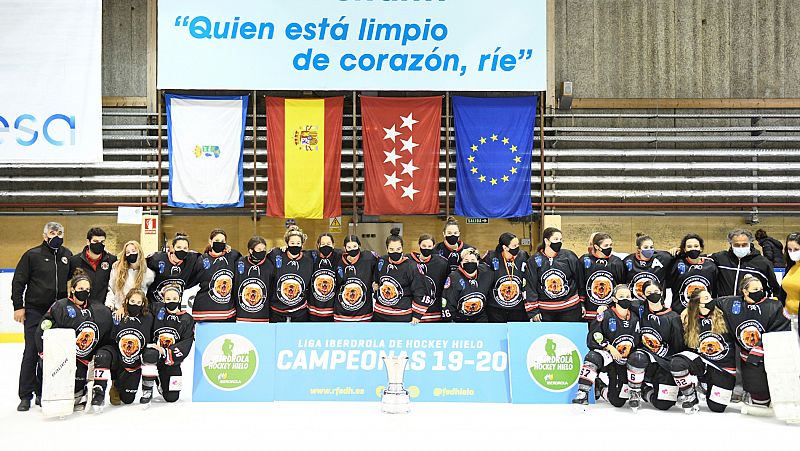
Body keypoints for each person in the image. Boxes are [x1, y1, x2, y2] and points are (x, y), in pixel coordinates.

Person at [12, 222, 73, 411]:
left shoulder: (67, 255)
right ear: (45, 235)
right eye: (53, 232)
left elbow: (74, 278)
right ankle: (25, 395)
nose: (56, 235)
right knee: (32, 351)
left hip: (57, 312)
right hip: (35, 311)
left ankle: (42, 392)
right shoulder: (32, 255)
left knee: (51, 354)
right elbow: (18, 282)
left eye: (60, 232)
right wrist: (18, 307)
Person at [36, 269, 113, 412]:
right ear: (72, 289)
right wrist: (43, 352)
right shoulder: (60, 306)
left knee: (75, 391)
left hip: (81, 359)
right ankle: (41, 393)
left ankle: (81, 392)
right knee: (42, 364)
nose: (84, 291)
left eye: (87, 289)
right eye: (80, 288)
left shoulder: (97, 309)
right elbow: (42, 329)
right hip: (61, 356)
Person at [719, 274, 791, 412]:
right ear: (745, 291)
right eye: (755, 288)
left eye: (761, 288)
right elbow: (711, 304)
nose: (760, 291)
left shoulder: (774, 305)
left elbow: (780, 330)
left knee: (764, 395)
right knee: (758, 397)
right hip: (744, 355)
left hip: (767, 355)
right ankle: (746, 392)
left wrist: (761, 348)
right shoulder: (732, 303)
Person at [670, 288, 737, 414]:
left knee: (717, 407)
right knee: (677, 363)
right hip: (702, 362)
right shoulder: (688, 319)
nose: (711, 301)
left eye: (710, 297)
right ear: (697, 304)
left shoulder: (725, 313)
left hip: (723, 368)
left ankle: (707, 387)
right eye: (706, 299)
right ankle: (690, 395)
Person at [572, 285, 640, 407]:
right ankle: (583, 392)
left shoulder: (635, 317)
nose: (625, 299)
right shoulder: (605, 315)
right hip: (608, 356)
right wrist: (609, 347)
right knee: (592, 356)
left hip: (624, 360)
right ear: (614, 299)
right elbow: (594, 336)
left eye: (628, 296)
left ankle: (601, 387)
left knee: (617, 401)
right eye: (621, 296)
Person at [625, 280, 684, 412]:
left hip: (664, 363)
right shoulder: (638, 307)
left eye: (656, 292)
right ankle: (634, 392)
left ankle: (646, 391)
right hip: (645, 360)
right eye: (649, 292)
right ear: (644, 295)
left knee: (664, 404)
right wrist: (604, 307)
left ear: (661, 292)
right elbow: (620, 302)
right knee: (637, 357)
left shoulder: (673, 317)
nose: (653, 294)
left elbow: (678, 348)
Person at [142, 285, 195, 403]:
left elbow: (186, 343)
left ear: (180, 299)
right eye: (168, 298)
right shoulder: (156, 309)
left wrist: (164, 351)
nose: (171, 301)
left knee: (172, 398)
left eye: (174, 298)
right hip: (155, 355)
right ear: (163, 299)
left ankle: (159, 379)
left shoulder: (186, 319)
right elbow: (139, 309)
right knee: (150, 354)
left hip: (171, 360)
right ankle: (147, 389)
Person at [103, 289, 153, 407]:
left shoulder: (148, 318)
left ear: (143, 304)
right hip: (120, 360)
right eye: (132, 301)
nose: (135, 304)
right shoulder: (118, 316)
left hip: (135, 362)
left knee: (128, 400)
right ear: (126, 301)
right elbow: (111, 340)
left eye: (138, 302)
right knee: (107, 354)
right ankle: (115, 384)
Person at [527, 227, 581, 322]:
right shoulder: (534, 260)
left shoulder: (569, 256)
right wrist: (533, 310)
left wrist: (583, 303)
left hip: (570, 309)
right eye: (556, 239)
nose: (559, 242)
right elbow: (530, 285)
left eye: (560, 239)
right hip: (545, 310)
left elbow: (580, 280)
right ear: (546, 241)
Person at [187, 229, 242, 322]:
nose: (219, 243)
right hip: (204, 312)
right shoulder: (201, 260)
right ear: (210, 241)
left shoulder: (233, 256)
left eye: (222, 241)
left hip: (226, 313)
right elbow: (189, 279)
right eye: (216, 241)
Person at [374, 228, 427, 322]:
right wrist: (375, 284)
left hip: (402, 316)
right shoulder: (381, 261)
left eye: (398, 249)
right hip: (380, 314)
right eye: (391, 249)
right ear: (387, 249)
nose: (395, 252)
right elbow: (377, 280)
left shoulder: (412, 266)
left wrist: (417, 315)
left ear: (402, 248)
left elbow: (420, 291)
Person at [709, 228, 781, 299]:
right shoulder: (720, 258)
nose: (740, 247)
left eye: (744, 245)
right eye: (737, 245)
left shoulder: (763, 263)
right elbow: (702, 259)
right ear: (731, 244)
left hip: (751, 308)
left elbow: (773, 288)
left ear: (750, 243)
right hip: (723, 306)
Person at [482, 232, 534, 322]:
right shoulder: (492, 257)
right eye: (514, 246)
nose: (517, 247)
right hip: (496, 308)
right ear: (505, 247)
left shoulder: (523, 256)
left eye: (518, 244)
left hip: (517, 307)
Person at [268, 225, 314, 322]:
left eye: (298, 243)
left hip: (299, 311)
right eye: (292, 243)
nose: (295, 245)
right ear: (287, 243)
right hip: (277, 310)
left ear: (302, 244)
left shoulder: (309, 259)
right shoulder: (276, 254)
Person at [578, 233, 626, 321]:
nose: (609, 248)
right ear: (596, 247)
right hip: (590, 311)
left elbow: (620, 285)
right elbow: (580, 283)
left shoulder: (617, 262)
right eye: (606, 245)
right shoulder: (584, 260)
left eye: (611, 245)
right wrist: (581, 304)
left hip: (610, 311)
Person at [667, 233, 717, 314]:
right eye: (689, 247)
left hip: (703, 313)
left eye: (696, 246)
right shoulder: (676, 264)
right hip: (680, 313)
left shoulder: (711, 266)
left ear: (701, 248)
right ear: (684, 249)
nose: (693, 249)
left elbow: (714, 291)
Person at [442, 248, 494, 323]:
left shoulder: (487, 273)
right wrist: (449, 320)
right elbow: (448, 300)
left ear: (478, 262)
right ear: (461, 262)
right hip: (460, 319)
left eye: (473, 260)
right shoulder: (454, 277)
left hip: (480, 317)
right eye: (466, 261)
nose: (470, 263)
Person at [68, 227, 117, 305]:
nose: (99, 244)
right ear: (88, 242)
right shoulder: (75, 260)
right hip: (81, 306)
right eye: (95, 241)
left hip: (102, 307)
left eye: (102, 242)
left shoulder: (112, 260)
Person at [334, 235, 378, 322]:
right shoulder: (338, 259)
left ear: (359, 246)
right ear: (344, 248)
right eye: (349, 247)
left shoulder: (369, 258)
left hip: (364, 313)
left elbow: (381, 267)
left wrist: (375, 282)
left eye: (354, 246)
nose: (352, 249)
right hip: (341, 312)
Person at [145, 233, 198, 305]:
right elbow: (140, 265)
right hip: (154, 305)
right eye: (179, 247)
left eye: (185, 248)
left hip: (175, 307)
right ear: (172, 248)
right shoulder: (156, 259)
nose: (182, 250)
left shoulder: (192, 259)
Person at [105, 240, 155, 315]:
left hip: (137, 311)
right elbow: (111, 289)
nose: (131, 254)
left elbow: (145, 295)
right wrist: (109, 306)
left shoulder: (148, 274)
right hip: (117, 310)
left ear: (139, 252)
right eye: (128, 252)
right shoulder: (117, 270)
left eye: (133, 251)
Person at [408, 234, 449, 323]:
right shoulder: (408, 261)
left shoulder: (442, 263)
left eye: (429, 246)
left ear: (434, 246)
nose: (426, 248)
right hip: (413, 312)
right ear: (419, 245)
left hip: (435, 312)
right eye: (424, 246)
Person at [233, 236, 275, 322]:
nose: (262, 252)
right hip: (242, 315)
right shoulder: (239, 263)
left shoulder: (269, 265)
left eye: (264, 249)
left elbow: (272, 288)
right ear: (251, 250)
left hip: (263, 316)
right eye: (259, 250)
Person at [623, 233, 673, 302]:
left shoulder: (663, 258)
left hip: (657, 303)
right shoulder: (628, 261)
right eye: (646, 247)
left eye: (651, 247)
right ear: (638, 249)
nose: (649, 250)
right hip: (635, 303)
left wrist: (677, 249)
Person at [308, 233, 340, 321]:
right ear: (318, 245)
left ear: (333, 245)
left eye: (329, 244)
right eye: (323, 244)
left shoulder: (339, 256)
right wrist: (283, 249)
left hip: (332, 310)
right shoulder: (311, 256)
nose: (326, 246)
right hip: (314, 310)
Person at [779, 232, 800, 318]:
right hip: (788, 315)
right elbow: (784, 292)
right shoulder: (791, 266)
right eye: (789, 249)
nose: (792, 252)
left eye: (796, 249)